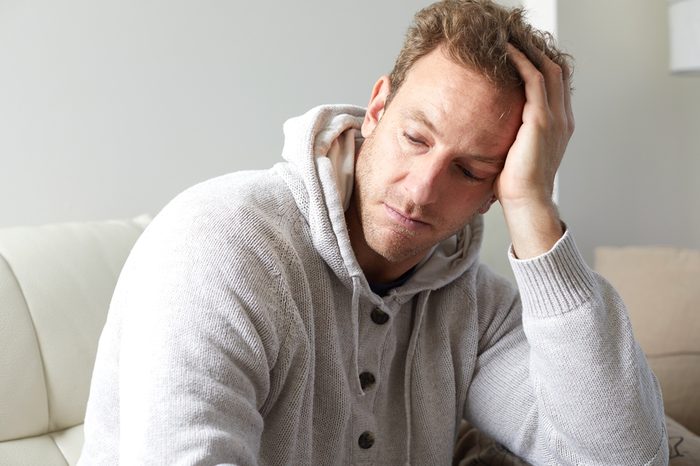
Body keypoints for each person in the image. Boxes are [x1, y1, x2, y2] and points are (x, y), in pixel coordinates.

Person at [79, 1, 668, 464]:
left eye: (470, 170)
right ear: (379, 108)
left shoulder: (472, 307)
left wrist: (535, 206)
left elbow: (621, 456)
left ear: (497, 187)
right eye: (416, 138)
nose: (420, 189)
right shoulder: (221, 246)